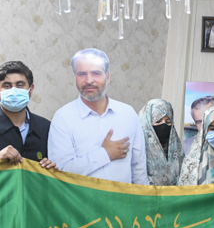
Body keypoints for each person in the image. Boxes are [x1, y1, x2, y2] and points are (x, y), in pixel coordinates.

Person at [48, 48, 148, 184]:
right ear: (75, 76)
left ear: (108, 77)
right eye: (82, 74)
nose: (89, 80)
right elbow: (61, 171)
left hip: (122, 198)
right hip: (80, 198)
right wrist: (105, 154)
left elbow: (139, 170)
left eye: (96, 73)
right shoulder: (63, 117)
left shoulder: (128, 114)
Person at [139, 98, 183, 185]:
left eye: (168, 122)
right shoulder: (138, 149)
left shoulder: (176, 149)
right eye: (158, 121)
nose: (163, 126)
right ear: (147, 122)